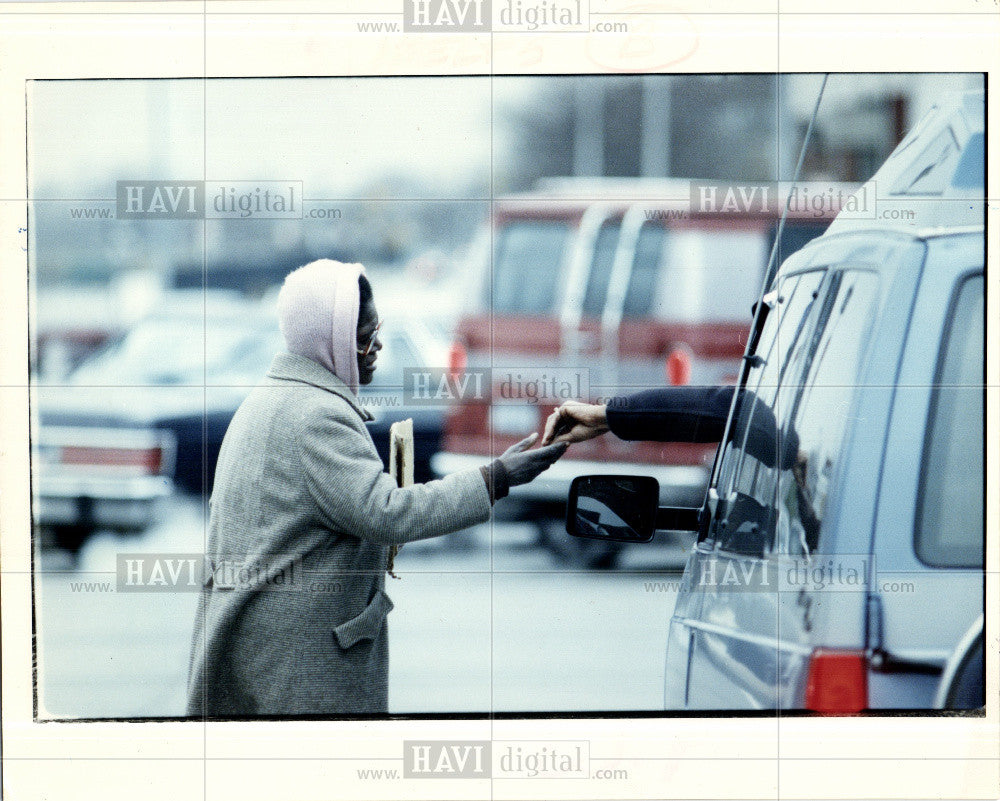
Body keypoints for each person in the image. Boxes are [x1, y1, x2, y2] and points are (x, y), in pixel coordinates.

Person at [187, 259, 566, 716]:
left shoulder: (273, 397)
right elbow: (388, 512)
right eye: (364, 335)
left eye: (377, 329)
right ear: (328, 340)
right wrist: (498, 478)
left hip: (263, 651)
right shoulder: (316, 416)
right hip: (295, 669)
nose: (377, 345)